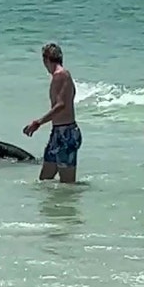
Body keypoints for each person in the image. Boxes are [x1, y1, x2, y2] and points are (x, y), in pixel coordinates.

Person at [23, 42, 82, 184]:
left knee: (68, 186)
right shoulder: (61, 76)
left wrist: (38, 122)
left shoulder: (60, 75)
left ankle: (69, 206)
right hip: (57, 134)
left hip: (66, 134)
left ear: (46, 60)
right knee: (44, 181)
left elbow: (61, 105)